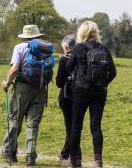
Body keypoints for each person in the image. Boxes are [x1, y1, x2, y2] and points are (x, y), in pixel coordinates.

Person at [66, 21, 117, 168]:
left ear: (82, 33)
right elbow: (113, 72)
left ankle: (73, 159)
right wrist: (104, 83)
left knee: (76, 126)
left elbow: (69, 67)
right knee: (96, 126)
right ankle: (97, 160)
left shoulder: (79, 47)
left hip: (81, 90)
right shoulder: (104, 48)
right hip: (99, 92)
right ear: (96, 32)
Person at [0, 25, 52, 166]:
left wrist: (8, 83)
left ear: (24, 36)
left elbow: (15, 68)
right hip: (40, 88)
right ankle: (30, 156)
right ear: (37, 36)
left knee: (15, 119)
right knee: (32, 124)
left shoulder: (19, 47)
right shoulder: (44, 48)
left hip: (22, 88)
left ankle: (10, 151)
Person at [55, 34, 77, 166]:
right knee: (75, 126)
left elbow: (58, 82)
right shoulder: (82, 57)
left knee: (70, 127)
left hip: (67, 96)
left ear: (66, 46)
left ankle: (66, 153)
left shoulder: (64, 59)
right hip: (81, 96)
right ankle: (70, 154)